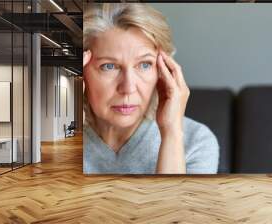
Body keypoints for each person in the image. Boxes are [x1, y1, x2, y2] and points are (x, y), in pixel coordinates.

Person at [83, 3, 219, 174]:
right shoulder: (57, 136)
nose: (128, 88)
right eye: (109, 66)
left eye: (145, 64)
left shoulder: (196, 140)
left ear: (163, 70)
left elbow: (172, 201)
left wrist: (171, 135)